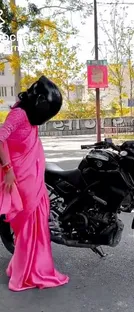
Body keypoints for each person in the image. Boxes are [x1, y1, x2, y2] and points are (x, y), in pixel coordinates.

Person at [0, 75, 69, 291]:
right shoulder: (19, 114)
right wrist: (8, 170)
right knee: (29, 223)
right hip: (19, 177)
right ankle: (26, 273)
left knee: (38, 220)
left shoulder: (28, 115)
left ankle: (31, 267)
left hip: (33, 176)